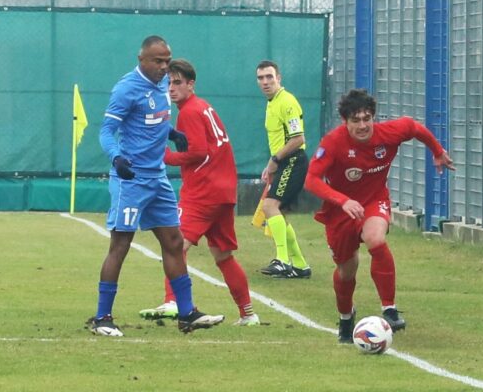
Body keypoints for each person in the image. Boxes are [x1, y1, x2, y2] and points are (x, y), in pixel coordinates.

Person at [89, 36, 224, 337]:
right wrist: (117, 158)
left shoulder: (163, 85)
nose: (165, 67)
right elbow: (107, 132)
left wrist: (173, 133)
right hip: (131, 179)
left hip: (158, 178)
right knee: (120, 245)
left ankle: (186, 313)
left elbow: (154, 119)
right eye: (158, 61)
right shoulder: (126, 89)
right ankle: (102, 318)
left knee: (174, 243)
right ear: (142, 59)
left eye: (167, 61)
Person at [304, 89, 455, 343]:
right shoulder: (333, 142)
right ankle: (345, 318)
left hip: (374, 200)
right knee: (346, 271)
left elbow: (414, 127)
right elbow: (311, 180)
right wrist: (343, 201)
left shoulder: (389, 133)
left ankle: (390, 309)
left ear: (373, 117)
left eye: (367, 118)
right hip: (340, 211)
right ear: (345, 121)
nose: (362, 125)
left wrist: (437, 151)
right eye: (356, 120)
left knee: (376, 239)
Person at [138, 59, 260, 326]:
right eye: (168, 83)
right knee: (223, 255)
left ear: (191, 84)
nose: (171, 88)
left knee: (175, 245)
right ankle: (248, 314)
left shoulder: (189, 111)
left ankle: (173, 300)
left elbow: (198, 152)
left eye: (177, 82)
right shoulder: (203, 107)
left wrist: (165, 157)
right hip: (224, 191)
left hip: (203, 192)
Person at [255, 60, 311, 279]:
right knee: (278, 213)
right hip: (284, 163)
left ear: (279, 78)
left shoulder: (287, 102)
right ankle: (300, 265)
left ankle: (282, 260)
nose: (265, 82)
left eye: (269, 77)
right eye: (261, 78)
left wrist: (275, 160)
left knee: (270, 207)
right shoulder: (272, 102)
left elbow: (298, 139)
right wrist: (273, 165)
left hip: (293, 161)